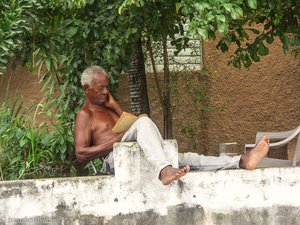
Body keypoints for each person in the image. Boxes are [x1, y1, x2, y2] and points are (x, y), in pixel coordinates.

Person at [74, 66, 270, 185]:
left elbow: (132, 127)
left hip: (138, 155)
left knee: (189, 159)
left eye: (107, 87)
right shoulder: (85, 115)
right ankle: (164, 170)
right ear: (86, 88)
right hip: (114, 161)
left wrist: (114, 105)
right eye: (101, 88)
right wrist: (115, 141)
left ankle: (241, 161)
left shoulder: (108, 108)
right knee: (143, 121)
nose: (105, 91)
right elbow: (81, 153)